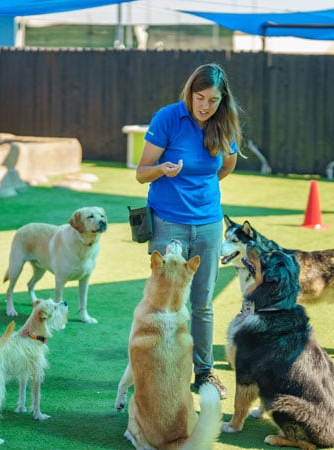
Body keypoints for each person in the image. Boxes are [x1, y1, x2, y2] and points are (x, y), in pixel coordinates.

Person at [135, 63, 242, 399]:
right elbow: (141, 173)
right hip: (168, 223)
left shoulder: (224, 125)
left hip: (209, 224)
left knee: (202, 303)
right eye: (200, 97)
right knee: (164, 302)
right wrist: (161, 171)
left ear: (222, 101)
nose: (205, 106)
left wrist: (200, 192)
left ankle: (205, 373)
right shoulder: (168, 118)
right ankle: (162, 369)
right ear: (190, 93)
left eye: (213, 100)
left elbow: (226, 165)